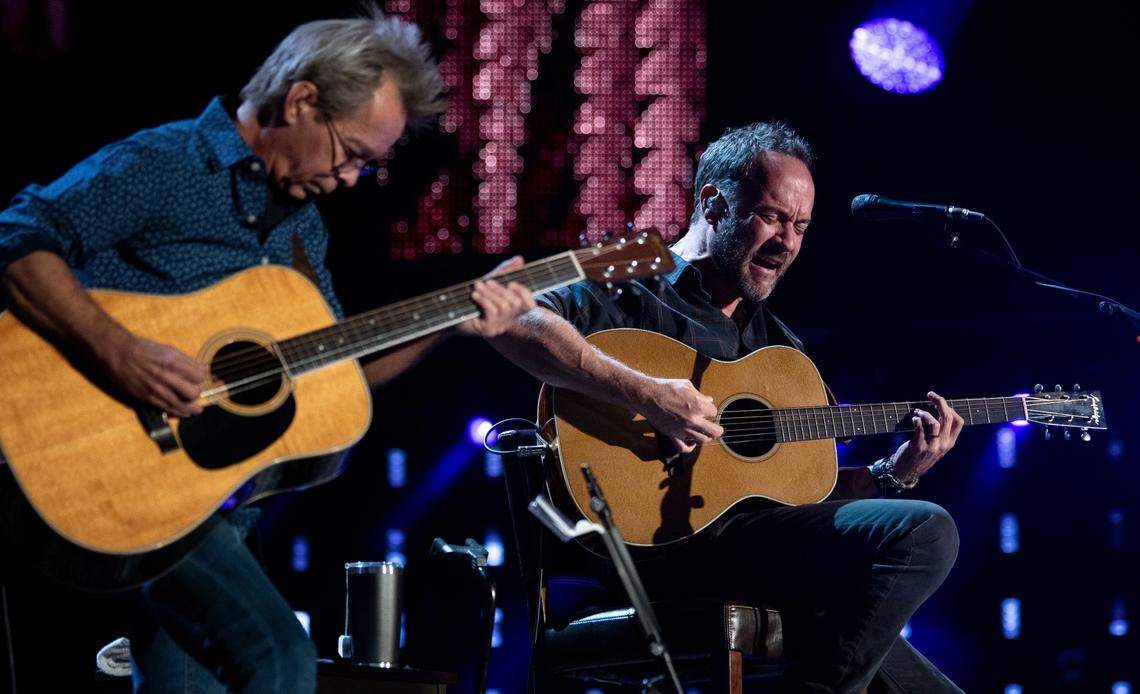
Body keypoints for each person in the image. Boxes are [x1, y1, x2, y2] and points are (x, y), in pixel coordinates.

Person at [0, 7, 534, 693]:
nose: (351, 180)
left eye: (367, 167)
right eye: (351, 154)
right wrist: (121, 352)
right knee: (280, 660)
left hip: (205, 507)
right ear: (303, 100)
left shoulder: (302, 236)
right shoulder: (168, 164)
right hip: (93, 457)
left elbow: (337, 382)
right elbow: (18, 233)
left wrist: (451, 319)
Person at [489, 122, 964, 692]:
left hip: (748, 554)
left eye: (802, 226)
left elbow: (801, 498)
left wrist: (898, 472)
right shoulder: (628, 278)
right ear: (713, 202)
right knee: (927, 534)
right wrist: (648, 394)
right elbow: (510, 316)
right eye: (772, 216)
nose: (787, 241)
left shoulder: (783, 350)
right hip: (645, 550)